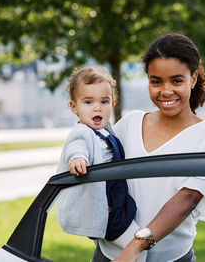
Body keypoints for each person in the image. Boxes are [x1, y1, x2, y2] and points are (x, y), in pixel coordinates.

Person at [95, 33, 205, 262]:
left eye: (176, 81)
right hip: (111, 256)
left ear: (192, 80)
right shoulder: (129, 123)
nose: (165, 91)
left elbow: (188, 198)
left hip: (169, 259)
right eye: (156, 81)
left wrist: (135, 247)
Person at [54, 66, 146, 262]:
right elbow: (76, 146)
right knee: (139, 245)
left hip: (116, 202)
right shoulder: (82, 132)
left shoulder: (106, 131)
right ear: (74, 107)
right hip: (107, 211)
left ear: (112, 103)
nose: (97, 107)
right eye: (88, 102)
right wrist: (78, 159)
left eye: (104, 101)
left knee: (125, 245)